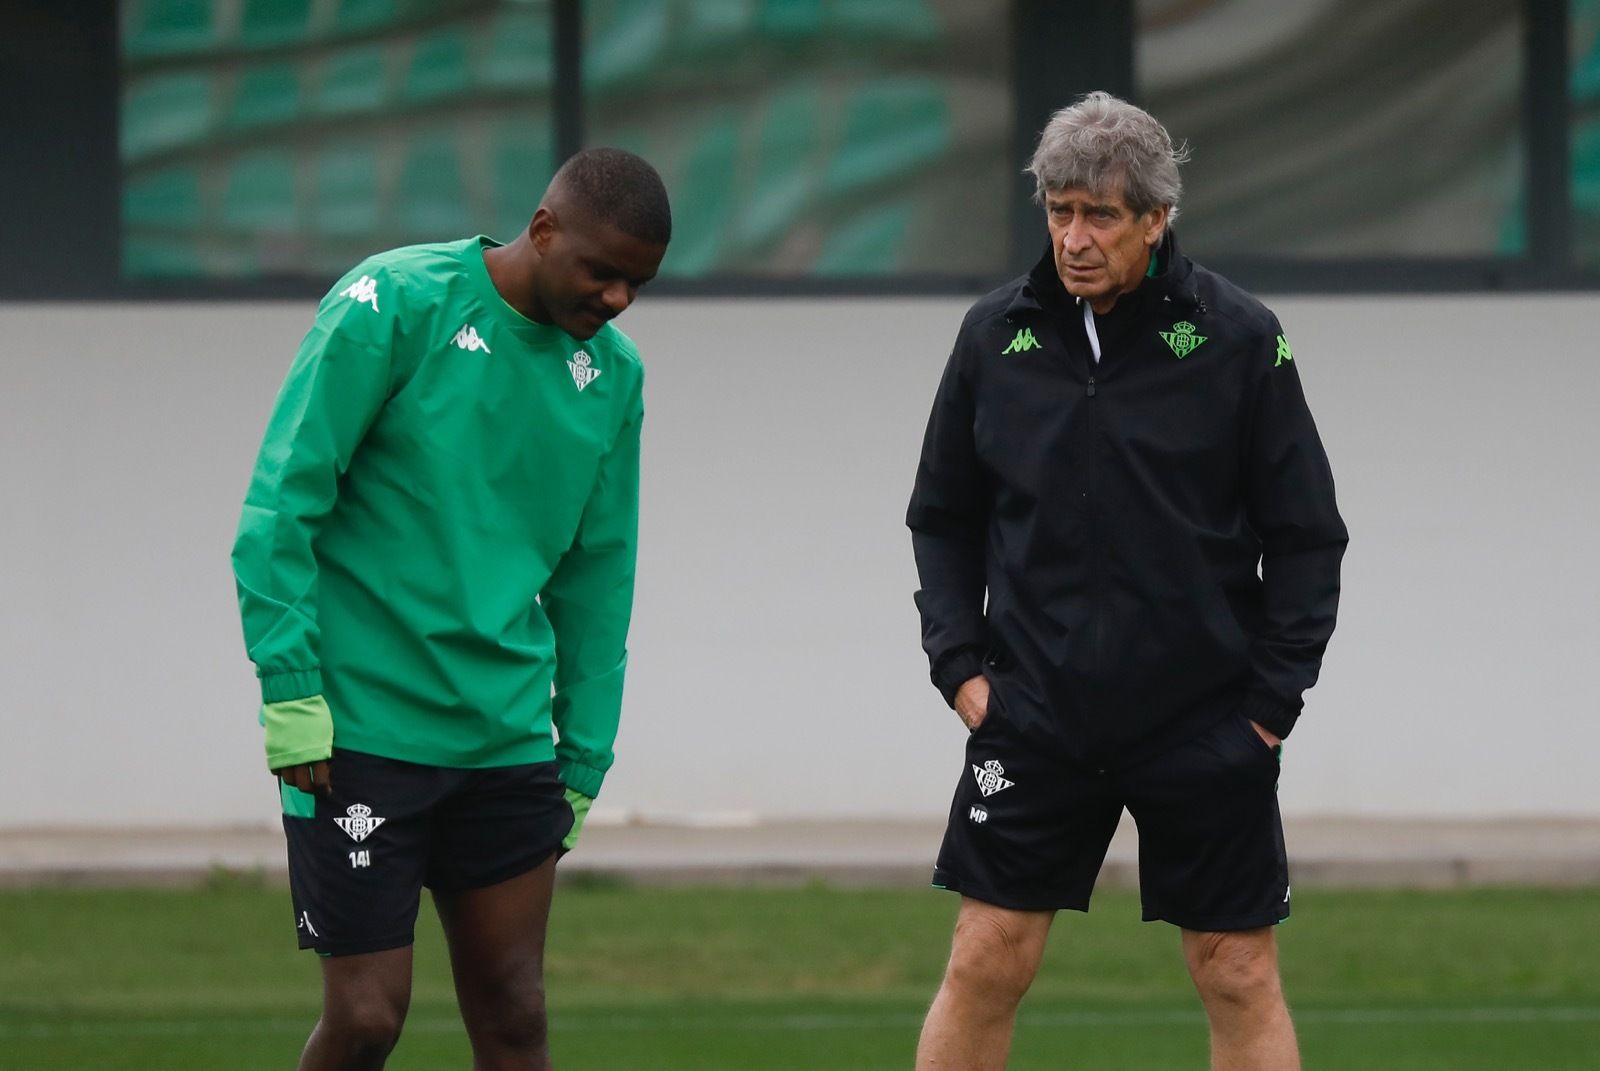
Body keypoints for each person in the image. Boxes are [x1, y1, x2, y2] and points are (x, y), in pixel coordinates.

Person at [907, 93, 1347, 1070]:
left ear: (1155, 219)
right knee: (986, 959)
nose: (1073, 237)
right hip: (1034, 714)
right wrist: (960, 667)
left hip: (1204, 722)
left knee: (1235, 970)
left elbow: (1307, 536)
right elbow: (943, 519)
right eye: (1059, 210)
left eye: (1099, 215)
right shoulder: (994, 338)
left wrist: (1269, 707)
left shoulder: (1238, 339)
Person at [231, 147, 670, 1071]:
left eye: (639, 282)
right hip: (356, 733)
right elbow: (282, 506)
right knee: (366, 1018)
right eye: (604, 271)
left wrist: (582, 753)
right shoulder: (391, 304)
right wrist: (292, 688)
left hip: (508, 745)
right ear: (544, 229)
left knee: (516, 1016)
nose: (621, 299)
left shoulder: (615, 378)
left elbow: (599, 574)